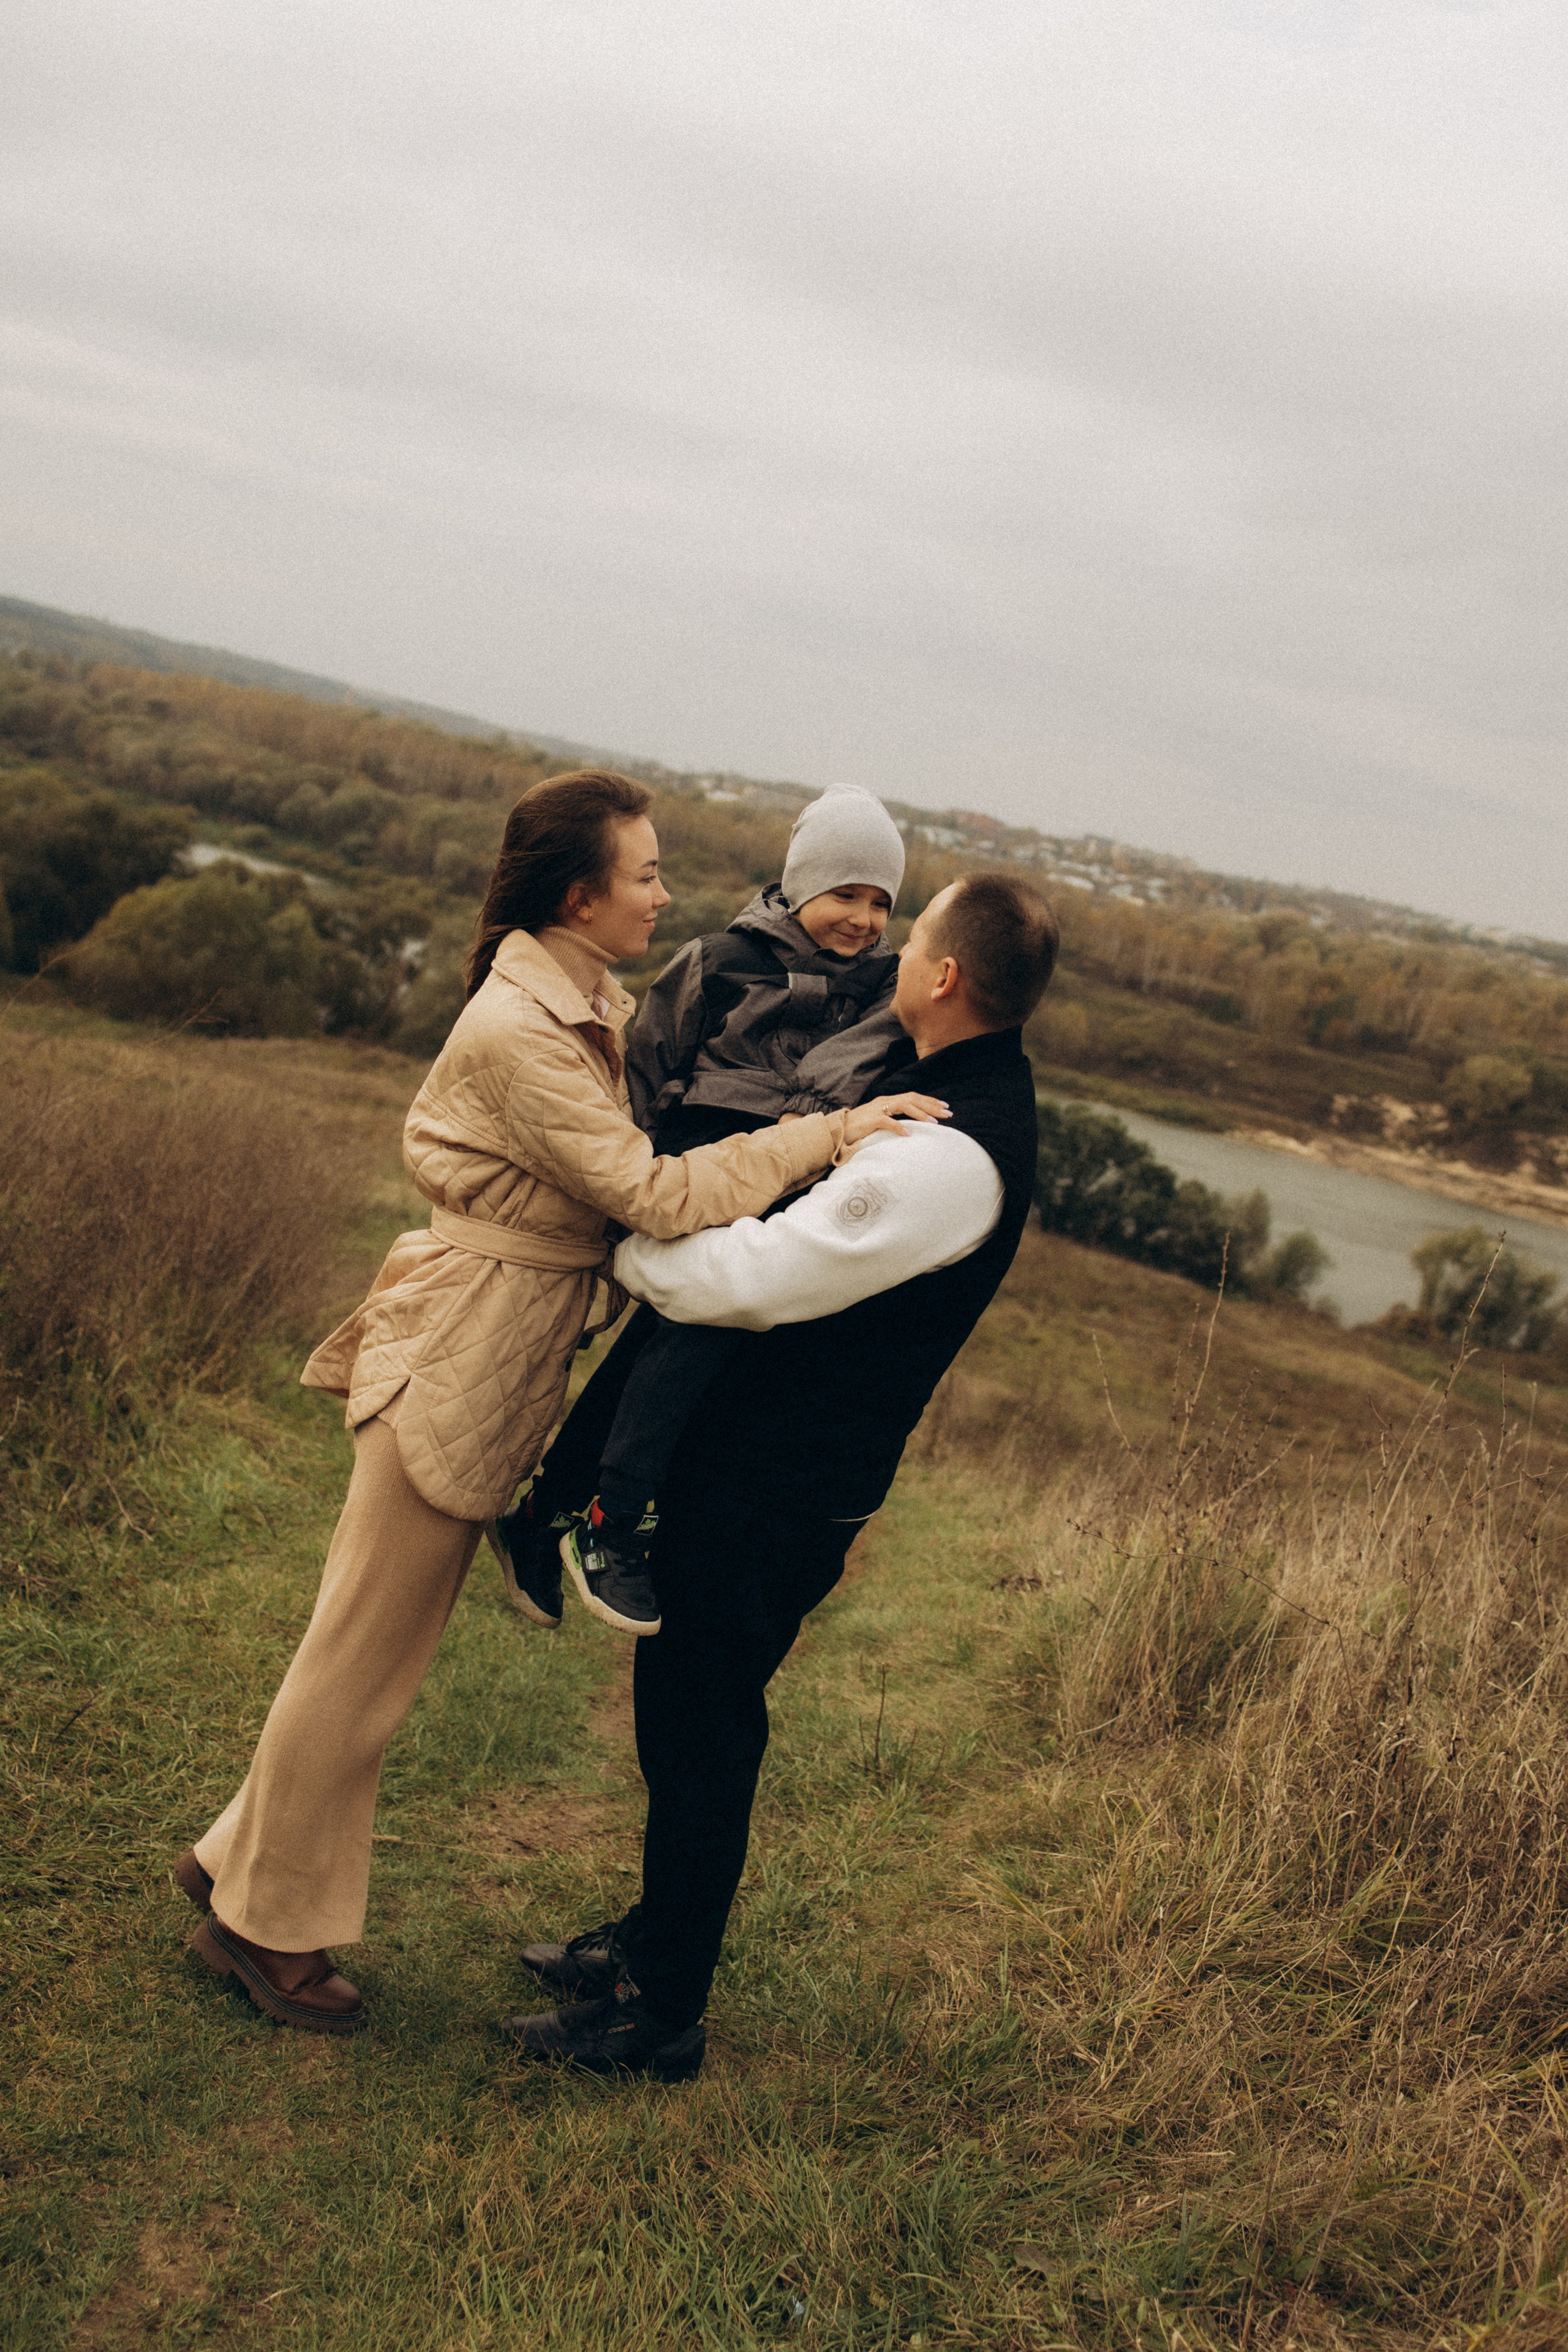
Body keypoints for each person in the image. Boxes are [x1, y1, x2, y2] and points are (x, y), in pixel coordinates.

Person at [170, 770, 944, 2036]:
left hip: (492, 1339)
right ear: (580, 894)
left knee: (361, 1645)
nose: (663, 892)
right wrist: (832, 1134)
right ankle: (261, 1930)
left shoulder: (584, 996)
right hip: (461, 1343)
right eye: (643, 874)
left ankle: (232, 1862)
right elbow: (652, 1192)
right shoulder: (519, 1030)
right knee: (361, 1665)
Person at [499, 869, 1058, 2081]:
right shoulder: (943, 1101)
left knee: (703, 1725)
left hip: (780, 1487)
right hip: (766, 1470)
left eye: (913, 939)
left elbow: (756, 1279)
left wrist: (641, 1239)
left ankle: (660, 2015)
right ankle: (648, 1946)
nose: (896, 952)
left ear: (945, 977)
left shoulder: (947, 1150)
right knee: (684, 1708)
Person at [489, 782, 913, 1637]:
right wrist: (635, 1176)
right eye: (845, 895)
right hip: (702, 1157)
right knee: (702, 1330)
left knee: (663, 1338)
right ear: (798, 888)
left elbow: (890, 1054)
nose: (863, 919)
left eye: (881, 903)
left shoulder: (884, 989)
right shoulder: (721, 961)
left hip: (793, 1169)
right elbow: (648, 1061)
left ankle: (542, 1514)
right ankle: (612, 1523)